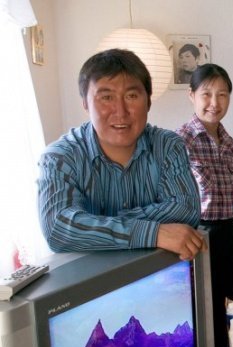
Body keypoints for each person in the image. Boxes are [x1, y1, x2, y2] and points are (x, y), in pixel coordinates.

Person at [37, 48, 205, 261]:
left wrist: (96, 223)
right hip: (92, 278)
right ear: (85, 103)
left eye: (131, 96)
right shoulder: (60, 157)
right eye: (106, 97)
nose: (121, 111)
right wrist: (153, 233)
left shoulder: (167, 145)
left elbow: (186, 209)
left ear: (148, 102)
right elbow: (58, 229)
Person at [176, 63, 233, 347]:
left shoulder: (231, 145)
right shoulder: (180, 141)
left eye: (222, 94)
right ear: (192, 95)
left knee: (225, 300)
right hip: (197, 233)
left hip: (227, 230)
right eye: (207, 94)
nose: (215, 102)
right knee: (200, 306)